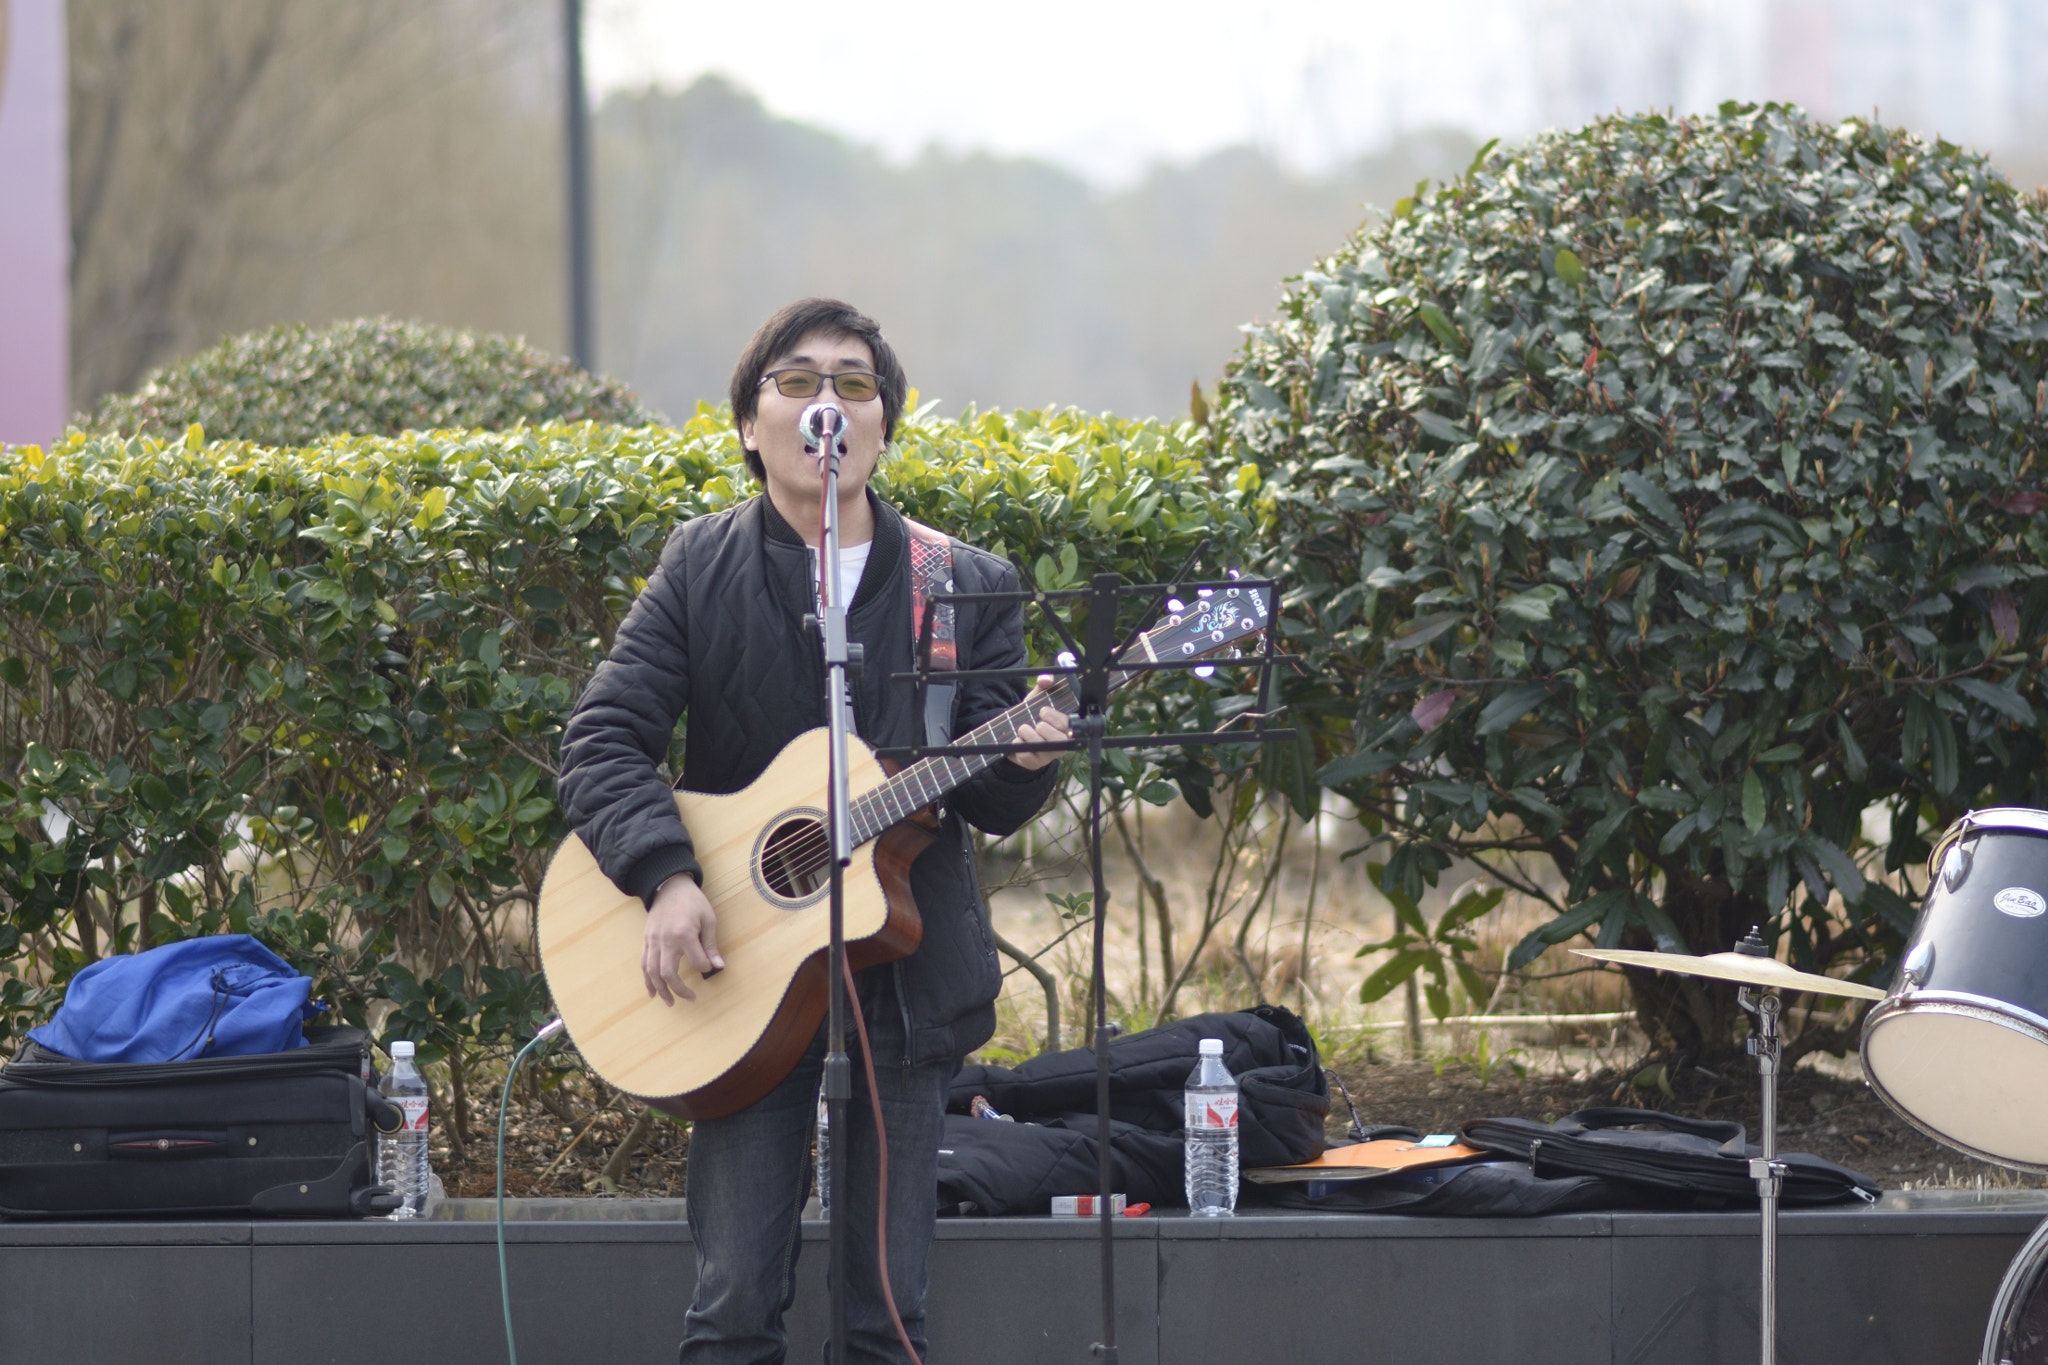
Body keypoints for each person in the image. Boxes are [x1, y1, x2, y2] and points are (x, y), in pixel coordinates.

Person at [556, 297, 1071, 1363]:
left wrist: (1029, 759)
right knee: (733, 1305)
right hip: (738, 974)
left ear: (884, 424)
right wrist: (667, 877)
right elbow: (601, 738)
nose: (825, 403)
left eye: (853, 383)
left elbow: (985, 800)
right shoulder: (699, 564)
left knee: (888, 1317)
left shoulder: (960, 584)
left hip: (904, 978)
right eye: (796, 382)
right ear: (751, 425)